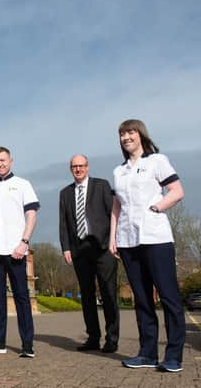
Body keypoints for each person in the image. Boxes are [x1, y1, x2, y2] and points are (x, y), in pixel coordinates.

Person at [109, 119, 185, 372]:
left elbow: (176, 191)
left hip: (155, 238)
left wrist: (157, 207)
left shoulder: (157, 161)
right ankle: (147, 353)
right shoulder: (118, 171)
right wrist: (113, 238)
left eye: (130, 132)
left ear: (140, 135)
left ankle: (174, 356)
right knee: (142, 299)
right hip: (128, 240)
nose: (126, 137)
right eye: (122, 134)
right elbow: (117, 207)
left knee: (169, 297)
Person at [0, 146, 39, 358]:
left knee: (22, 296)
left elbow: (31, 215)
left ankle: (27, 343)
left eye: (2, 160)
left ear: (10, 161)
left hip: (16, 250)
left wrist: (24, 242)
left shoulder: (23, 185)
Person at [59, 155, 119, 353]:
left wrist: (115, 240)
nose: (78, 169)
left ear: (87, 167)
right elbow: (64, 223)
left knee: (109, 293)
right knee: (87, 295)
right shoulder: (65, 193)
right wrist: (66, 247)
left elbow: (113, 214)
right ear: (70, 169)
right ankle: (93, 337)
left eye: (81, 166)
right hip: (79, 251)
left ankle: (112, 338)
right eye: (74, 166)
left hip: (103, 248)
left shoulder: (102, 186)